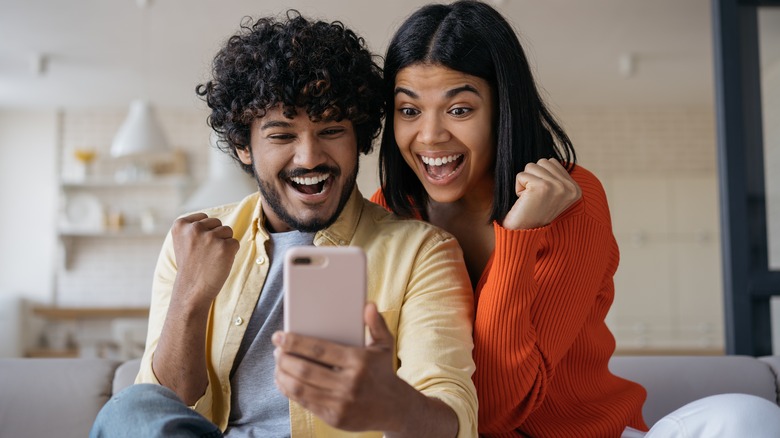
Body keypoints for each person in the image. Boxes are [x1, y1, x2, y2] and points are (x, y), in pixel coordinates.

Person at [371, 1, 780, 437]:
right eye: (409, 110)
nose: (430, 135)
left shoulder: (570, 200)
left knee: (747, 418)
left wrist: (519, 236)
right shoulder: (389, 214)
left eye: (459, 109)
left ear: (502, 110)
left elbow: (494, 406)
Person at [90, 10, 478, 438]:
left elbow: (454, 411)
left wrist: (395, 407)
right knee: (130, 405)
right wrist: (190, 299)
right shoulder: (195, 239)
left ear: (359, 137)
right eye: (282, 135)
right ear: (244, 146)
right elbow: (159, 411)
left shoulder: (422, 251)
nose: (309, 157)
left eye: (331, 130)